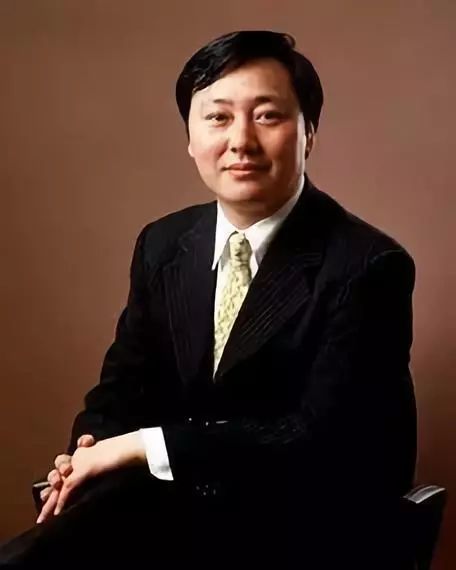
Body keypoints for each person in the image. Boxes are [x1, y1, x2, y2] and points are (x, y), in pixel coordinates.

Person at [0, 30, 417, 568]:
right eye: (218, 117)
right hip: (168, 516)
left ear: (308, 133)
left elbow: (315, 439)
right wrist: (89, 450)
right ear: (190, 138)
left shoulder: (369, 265)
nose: (241, 140)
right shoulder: (164, 243)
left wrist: (140, 447)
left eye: (267, 116)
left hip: (301, 530)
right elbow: (121, 387)